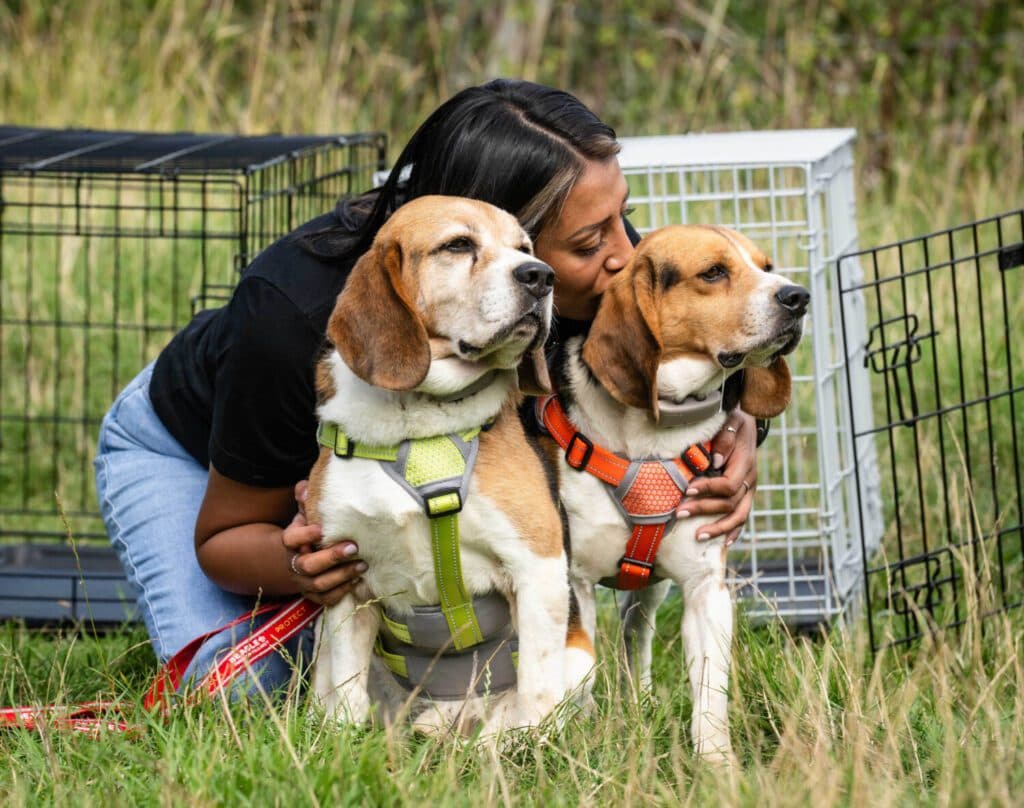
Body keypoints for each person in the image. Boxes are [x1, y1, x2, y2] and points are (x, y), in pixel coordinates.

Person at [93, 79, 759, 694]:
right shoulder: (291, 315)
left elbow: (709, 347)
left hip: (428, 458)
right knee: (254, 689)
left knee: (456, 669)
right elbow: (225, 539)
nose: (624, 256)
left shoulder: (589, 268)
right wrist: (303, 566)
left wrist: (740, 431)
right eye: (588, 241)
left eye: (621, 218)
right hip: (212, 461)